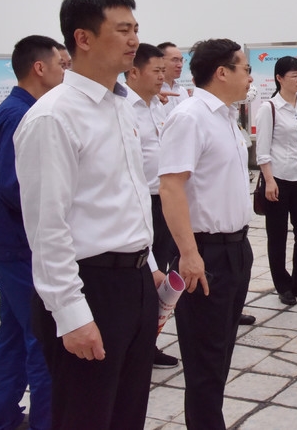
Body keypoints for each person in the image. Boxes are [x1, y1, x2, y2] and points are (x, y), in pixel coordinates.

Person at [14, 0, 162, 430]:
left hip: (135, 284)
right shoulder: (54, 117)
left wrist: (150, 265)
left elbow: (130, 195)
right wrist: (71, 316)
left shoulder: (120, 106)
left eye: (136, 28)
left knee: (128, 414)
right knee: (85, 416)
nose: (134, 40)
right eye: (123, 30)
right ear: (83, 38)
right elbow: (47, 228)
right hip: (90, 287)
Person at [158, 38, 254, 429]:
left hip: (236, 249)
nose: (250, 77)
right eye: (245, 69)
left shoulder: (225, 116)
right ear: (222, 72)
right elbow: (171, 187)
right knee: (204, 362)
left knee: (220, 354)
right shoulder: (190, 117)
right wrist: (189, 253)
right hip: (204, 254)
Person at [0, 35, 63, 430]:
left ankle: (3, 418)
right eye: (62, 65)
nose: (66, 73)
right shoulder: (21, 115)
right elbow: (14, 187)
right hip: (19, 245)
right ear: (39, 68)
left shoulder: (21, 109)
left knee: (14, 336)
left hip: (10, 242)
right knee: (42, 340)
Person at [123, 43, 179, 370]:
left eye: (163, 70)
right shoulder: (124, 109)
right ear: (133, 72)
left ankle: (150, 340)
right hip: (140, 203)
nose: (162, 76)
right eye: (156, 71)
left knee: (163, 275)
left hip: (164, 200)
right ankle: (140, 345)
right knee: (146, 277)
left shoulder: (158, 106)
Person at [254, 56, 297, 306]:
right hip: (277, 179)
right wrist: (269, 180)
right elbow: (262, 150)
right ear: (279, 78)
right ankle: (283, 285)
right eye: (294, 76)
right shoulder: (269, 108)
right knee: (277, 234)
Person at [157, 42, 189, 112]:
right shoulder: (153, 92)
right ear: (160, 60)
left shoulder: (182, 91)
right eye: (175, 60)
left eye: (181, 60)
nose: (180, 65)